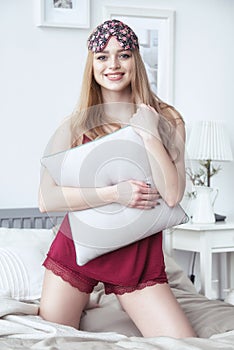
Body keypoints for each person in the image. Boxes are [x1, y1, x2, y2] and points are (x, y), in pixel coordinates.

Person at [39, 19, 196, 338]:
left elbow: (172, 195)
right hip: (75, 252)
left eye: (123, 54)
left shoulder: (167, 118)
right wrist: (115, 193)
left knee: (185, 344)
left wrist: (149, 135)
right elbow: (46, 199)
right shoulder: (74, 124)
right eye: (102, 56)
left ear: (136, 59)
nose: (113, 64)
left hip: (137, 262)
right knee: (53, 340)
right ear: (91, 65)